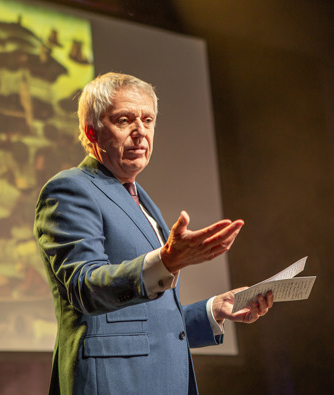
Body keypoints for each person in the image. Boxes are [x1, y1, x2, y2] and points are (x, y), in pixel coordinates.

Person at [34, 72, 273, 395]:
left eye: (148, 120)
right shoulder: (70, 189)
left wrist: (213, 310)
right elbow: (85, 287)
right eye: (124, 120)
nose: (140, 132)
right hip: (114, 382)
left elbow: (147, 322)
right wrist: (166, 261)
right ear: (91, 130)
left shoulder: (140, 199)